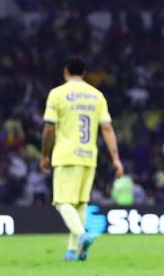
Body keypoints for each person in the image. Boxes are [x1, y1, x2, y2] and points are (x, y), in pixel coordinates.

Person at [40, 56, 124, 261]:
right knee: (80, 205)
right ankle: (72, 252)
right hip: (89, 157)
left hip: (66, 155)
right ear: (84, 73)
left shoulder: (57, 94)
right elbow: (107, 128)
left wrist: (44, 155)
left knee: (61, 202)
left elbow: (49, 128)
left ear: (65, 72)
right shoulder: (96, 96)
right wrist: (116, 158)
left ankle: (82, 235)